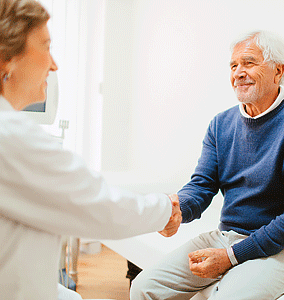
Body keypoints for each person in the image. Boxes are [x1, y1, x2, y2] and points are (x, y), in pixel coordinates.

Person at [0, 1, 182, 299]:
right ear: (8, 57)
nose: (54, 64)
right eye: (46, 46)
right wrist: (165, 208)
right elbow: (98, 206)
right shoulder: (12, 136)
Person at [130, 30, 284, 300]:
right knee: (143, 287)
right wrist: (176, 210)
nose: (238, 73)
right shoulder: (220, 125)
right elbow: (201, 184)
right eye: (233, 66)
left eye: (248, 63)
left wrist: (231, 257)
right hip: (227, 236)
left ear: (278, 71)